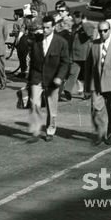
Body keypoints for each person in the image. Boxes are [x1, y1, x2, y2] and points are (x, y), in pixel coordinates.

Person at [84, 20, 111, 146]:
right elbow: (88, 67)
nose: (103, 33)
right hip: (96, 85)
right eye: (100, 31)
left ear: (110, 30)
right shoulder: (93, 45)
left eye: (105, 30)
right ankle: (99, 133)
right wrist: (87, 85)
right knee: (96, 110)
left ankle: (110, 133)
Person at [27, 13, 71, 141]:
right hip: (37, 77)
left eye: (47, 28)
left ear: (53, 27)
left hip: (53, 79)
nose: (45, 30)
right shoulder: (37, 41)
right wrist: (29, 80)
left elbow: (65, 62)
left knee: (52, 107)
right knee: (34, 103)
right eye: (44, 27)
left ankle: (50, 130)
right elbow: (33, 61)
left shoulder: (61, 42)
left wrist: (60, 77)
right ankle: (36, 129)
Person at [64, 9, 97, 99]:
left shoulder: (87, 25)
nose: (73, 20)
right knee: (73, 73)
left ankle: (87, 92)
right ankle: (67, 90)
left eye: (75, 18)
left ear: (80, 18)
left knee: (87, 75)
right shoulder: (75, 26)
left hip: (85, 55)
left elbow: (90, 34)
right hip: (75, 54)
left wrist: (84, 23)